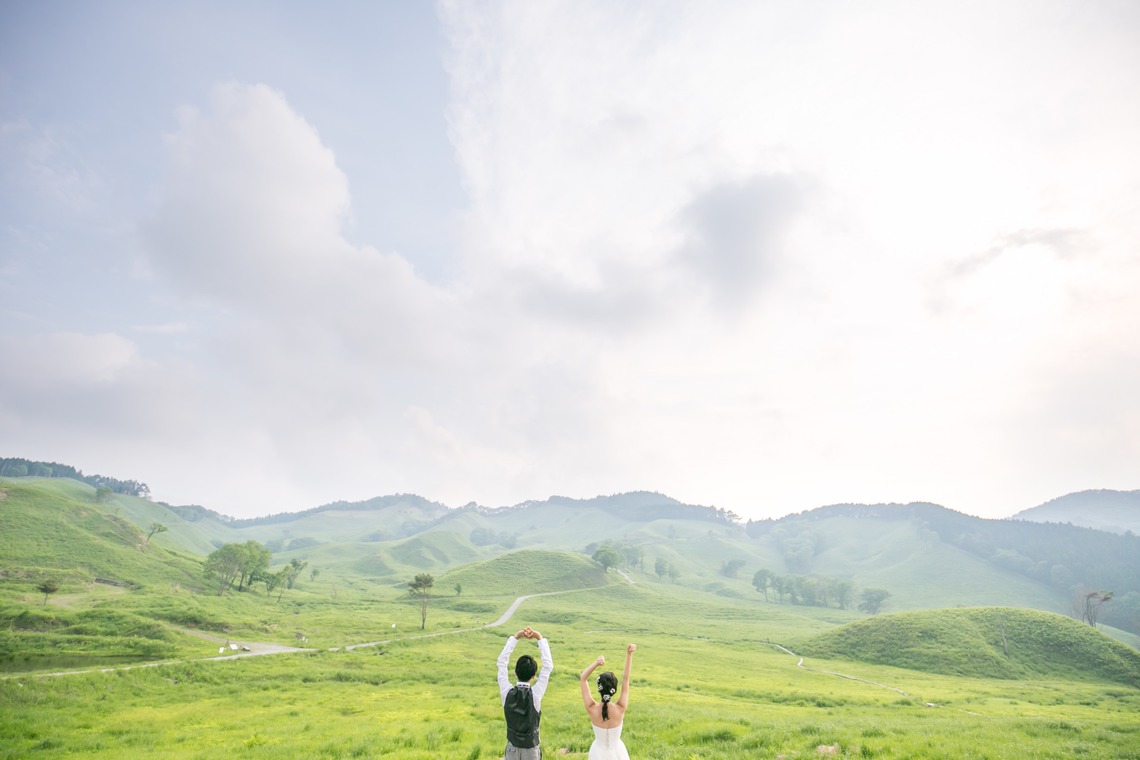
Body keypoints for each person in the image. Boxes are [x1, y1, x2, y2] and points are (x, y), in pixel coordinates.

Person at [497, 626, 553, 759]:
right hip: (531, 750)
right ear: (534, 676)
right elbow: (548, 666)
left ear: (515, 673)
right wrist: (539, 637)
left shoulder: (507, 692)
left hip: (512, 749)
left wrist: (516, 637)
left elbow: (501, 663)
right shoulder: (536, 694)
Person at [579, 643, 636, 760]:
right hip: (618, 754)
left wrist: (596, 663)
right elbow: (626, 679)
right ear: (614, 690)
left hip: (597, 754)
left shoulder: (591, 708)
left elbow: (583, 678)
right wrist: (629, 654)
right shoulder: (621, 707)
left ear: (599, 688)